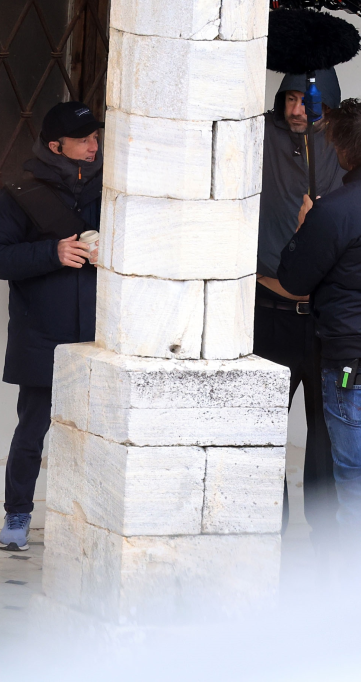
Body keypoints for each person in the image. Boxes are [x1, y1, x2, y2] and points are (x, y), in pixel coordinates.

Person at [0, 101, 103, 552]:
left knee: (103, 437)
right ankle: (17, 517)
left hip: (102, 337)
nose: (93, 145)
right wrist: (52, 253)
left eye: (95, 136)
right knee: (32, 431)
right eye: (83, 139)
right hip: (42, 336)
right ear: (55, 145)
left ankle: (93, 523)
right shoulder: (19, 193)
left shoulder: (116, 188)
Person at [256, 69, 343, 545]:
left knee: (327, 428)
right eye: (289, 98)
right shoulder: (259, 135)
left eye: (306, 102)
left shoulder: (346, 146)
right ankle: (272, 525)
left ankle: (327, 535)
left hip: (328, 317)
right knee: (264, 426)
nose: (296, 110)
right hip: (268, 310)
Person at [278, 98, 361, 567]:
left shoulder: (335, 211)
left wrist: (305, 226)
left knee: (352, 481)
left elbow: (294, 279)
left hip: (350, 363)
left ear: (343, 152)